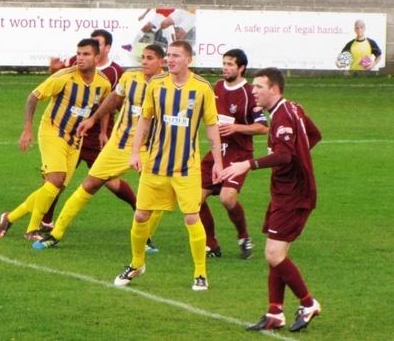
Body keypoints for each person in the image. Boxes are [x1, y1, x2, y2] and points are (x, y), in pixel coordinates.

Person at [32, 44, 165, 250]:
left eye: (150, 58)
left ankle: (145, 239)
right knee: (89, 184)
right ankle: (55, 233)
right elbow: (114, 98)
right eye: (143, 57)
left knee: (155, 194)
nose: (145, 61)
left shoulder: (169, 86)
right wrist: (94, 119)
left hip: (150, 149)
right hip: (118, 145)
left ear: (161, 62)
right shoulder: (130, 78)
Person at [113, 40, 222, 291]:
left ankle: (200, 273)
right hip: (155, 164)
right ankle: (136, 264)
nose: (171, 60)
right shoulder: (156, 85)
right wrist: (134, 152)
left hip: (186, 167)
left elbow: (212, 127)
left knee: (192, 217)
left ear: (189, 60)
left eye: (176, 56)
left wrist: (217, 162)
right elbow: (145, 120)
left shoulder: (202, 88)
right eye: (169, 56)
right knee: (141, 214)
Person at [220, 68, 322, 332]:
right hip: (285, 191)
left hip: (294, 194)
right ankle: (275, 312)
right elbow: (314, 135)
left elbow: (285, 156)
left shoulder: (283, 116)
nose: (253, 91)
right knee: (276, 255)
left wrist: (248, 164)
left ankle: (308, 304)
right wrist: (300, 156)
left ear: (274, 89)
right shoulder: (291, 109)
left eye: (259, 87)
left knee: (274, 254)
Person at [0, 38, 111, 240]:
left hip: (75, 139)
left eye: (86, 54)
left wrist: (101, 130)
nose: (80, 58)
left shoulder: (103, 83)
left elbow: (105, 106)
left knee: (55, 188)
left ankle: (10, 217)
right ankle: (31, 229)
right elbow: (33, 97)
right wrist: (27, 129)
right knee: (55, 181)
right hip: (53, 131)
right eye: (79, 53)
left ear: (97, 57)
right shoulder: (64, 77)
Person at [43, 29, 133, 231]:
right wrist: (52, 70)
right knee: (57, 179)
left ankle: (140, 210)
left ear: (107, 47)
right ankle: (45, 221)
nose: (89, 50)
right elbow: (59, 84)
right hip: (70, 133)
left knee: (111, 181)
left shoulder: (116, 72)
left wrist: (103, 132)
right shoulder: (77, 63)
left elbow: (110, 105)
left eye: (97, 44)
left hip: (95, 137)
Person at [200, 49, 268, 259]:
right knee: (194, 200)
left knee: (227, 198)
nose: (226, 67)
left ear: (241, 68)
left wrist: (236, 128)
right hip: (216, 152)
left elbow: (263, 127)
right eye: (224, 63)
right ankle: (212, 244)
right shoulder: (218, 86)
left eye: (230, 64)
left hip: (239, 153)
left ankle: (243, 236)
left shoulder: (249, 93)